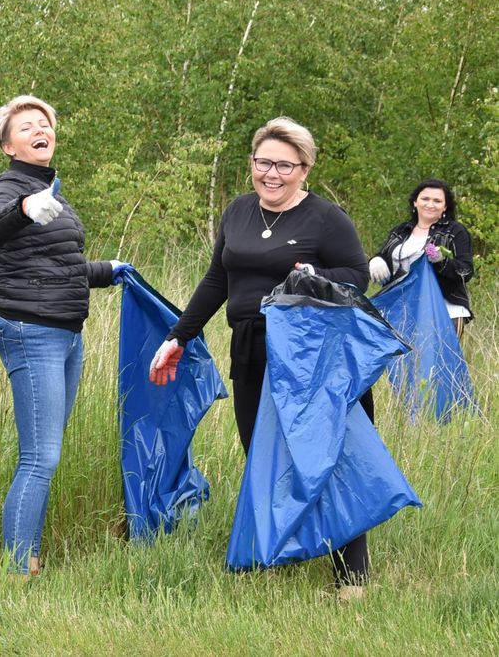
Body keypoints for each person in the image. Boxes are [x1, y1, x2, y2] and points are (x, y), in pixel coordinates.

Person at [148, 117, 373, 598]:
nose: (272, 173)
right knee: (262, 453)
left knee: (323, 456)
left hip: (307, 353)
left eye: (284, 165)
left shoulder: (326, 218)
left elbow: (357, 276)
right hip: (249, 345)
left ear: (305, 168)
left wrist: (315, 274)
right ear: (251, 163)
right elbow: (216, 281)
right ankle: (286, 550)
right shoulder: (238, 212)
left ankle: (352, 576)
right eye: (263, 162)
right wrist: (179, 335)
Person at [0, 95, 119, 579]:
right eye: (27, 126)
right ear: (7, 145)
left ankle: (30, 558)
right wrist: (22, 207)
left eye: (45, 124)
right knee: (40, 456)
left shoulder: (50, 189)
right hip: (31, 332)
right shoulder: (9, 187)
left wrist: (109, 271)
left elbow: (61, 266)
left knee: (46, 453)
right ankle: (19, 568)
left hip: (65, 334)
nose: (40, 129)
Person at [368, 179, 473, 337]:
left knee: (439, 361)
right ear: (415, 202)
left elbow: (465, 271)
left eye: (437, 201)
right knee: (400, 361)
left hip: (445, 311)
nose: (430, 204)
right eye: (425, 199)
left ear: (445, 207)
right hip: (400, 311)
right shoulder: (401, 230)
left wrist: (442, 262)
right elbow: (385, 256)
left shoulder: (455, 231)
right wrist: (376, 260)